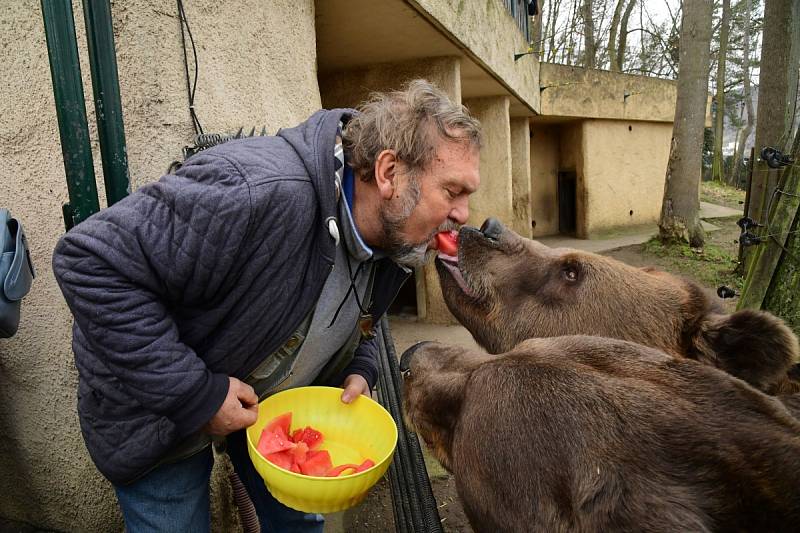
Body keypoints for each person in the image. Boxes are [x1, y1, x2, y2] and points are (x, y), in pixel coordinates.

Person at [52, 79, 482, 532]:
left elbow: (359, 312)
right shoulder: (259, 190)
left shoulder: (392, 234)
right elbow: (88, 263)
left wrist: (361, 363)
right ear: (389, 173)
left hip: (269, 405)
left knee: (298, 525)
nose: (464, 214)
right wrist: (196, 395)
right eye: (453, 191)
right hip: (157, 412)